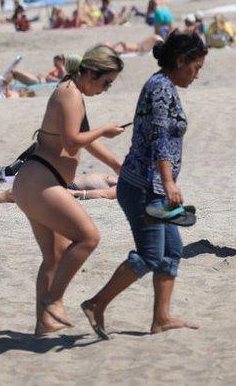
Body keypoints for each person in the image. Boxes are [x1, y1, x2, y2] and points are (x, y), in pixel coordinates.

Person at [83, 33, 208, 340]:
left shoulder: (162, 85)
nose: (198, 74)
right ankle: (96, 304)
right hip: (143, 186)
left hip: (151, 185)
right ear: (180, 61)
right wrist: (167, 182)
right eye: (196, 67)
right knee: (151, 254)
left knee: (172, 250)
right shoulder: (161, 88)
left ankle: (161, 318)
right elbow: (160, 138)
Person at [11, 45, 125, 336]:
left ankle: (43, 324)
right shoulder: (70, 93)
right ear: (89, 72)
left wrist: (116, 164)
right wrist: (104, 129)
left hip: (35, 182)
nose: (106, 88)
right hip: (41, 182)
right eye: (105, 82)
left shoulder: (72, 91)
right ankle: (54, 301)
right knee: (88, 237)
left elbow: (81, 138)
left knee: (55, 255)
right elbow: (74, 141)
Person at [0, 173, 119, 206]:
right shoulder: (131, 175)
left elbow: (106, 194)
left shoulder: (132, 185)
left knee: (11, 195)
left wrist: (77, 194)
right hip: (63, 180)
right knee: (13, 193)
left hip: (66, 187)